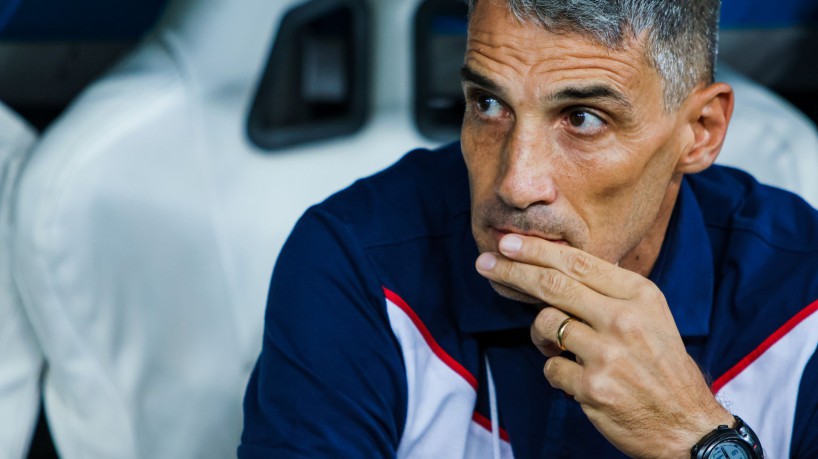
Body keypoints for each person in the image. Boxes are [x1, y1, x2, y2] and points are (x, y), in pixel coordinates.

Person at [240, 0, 818, 457]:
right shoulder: (359, 259)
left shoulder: (801, 295)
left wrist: (698, 439)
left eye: (583, 119)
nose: (516, 183)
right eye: (489, 104)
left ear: (701, 130)